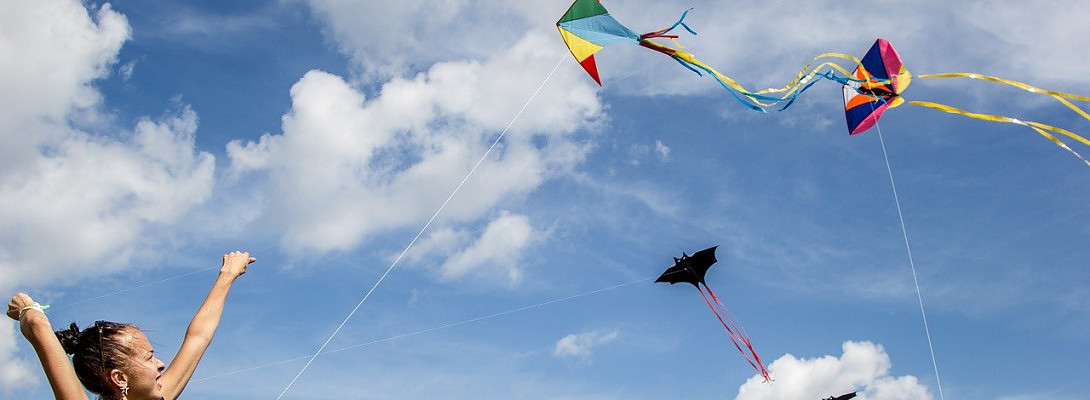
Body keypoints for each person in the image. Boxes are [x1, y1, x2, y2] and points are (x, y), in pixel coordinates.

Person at [7, 251, 256, 400]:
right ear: (119, 378)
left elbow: (198, 337)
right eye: (149, 357)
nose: (161, 363)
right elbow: (39, 328)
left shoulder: (160, 394)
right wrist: (28, 309)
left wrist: (228, 274)